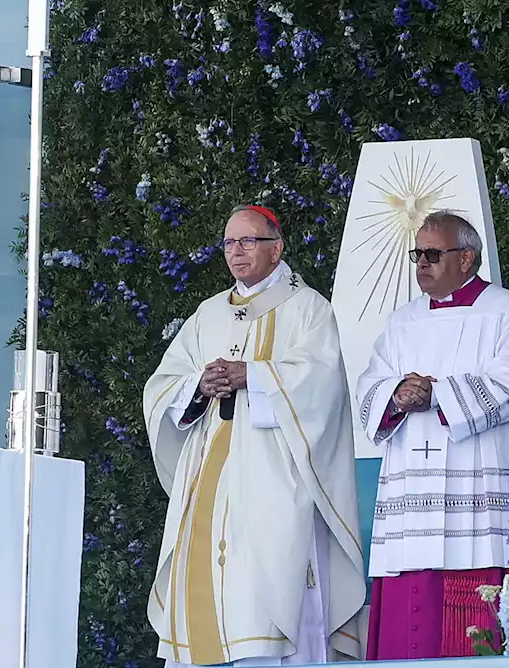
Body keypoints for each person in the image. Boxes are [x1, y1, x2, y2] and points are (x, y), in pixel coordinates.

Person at [142, 205, 364, 667]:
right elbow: (162, 385)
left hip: (275, 479)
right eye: (228, 243)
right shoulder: (208, 314)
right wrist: (198, 387)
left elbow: (321, 386)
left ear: (276, 247)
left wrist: (254, 376)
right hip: (208, 480)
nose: (236, 253)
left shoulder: (308, 309)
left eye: (247, 242)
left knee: (268, 598)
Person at [355, 211, 509, 660]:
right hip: (412, 498)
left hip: (475, 498)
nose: (422, 263)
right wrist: (397, 395)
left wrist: (435, 395)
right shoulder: (402, 322)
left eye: (433, 254)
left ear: (467, 257)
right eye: (418, 254)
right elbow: (368, 385)